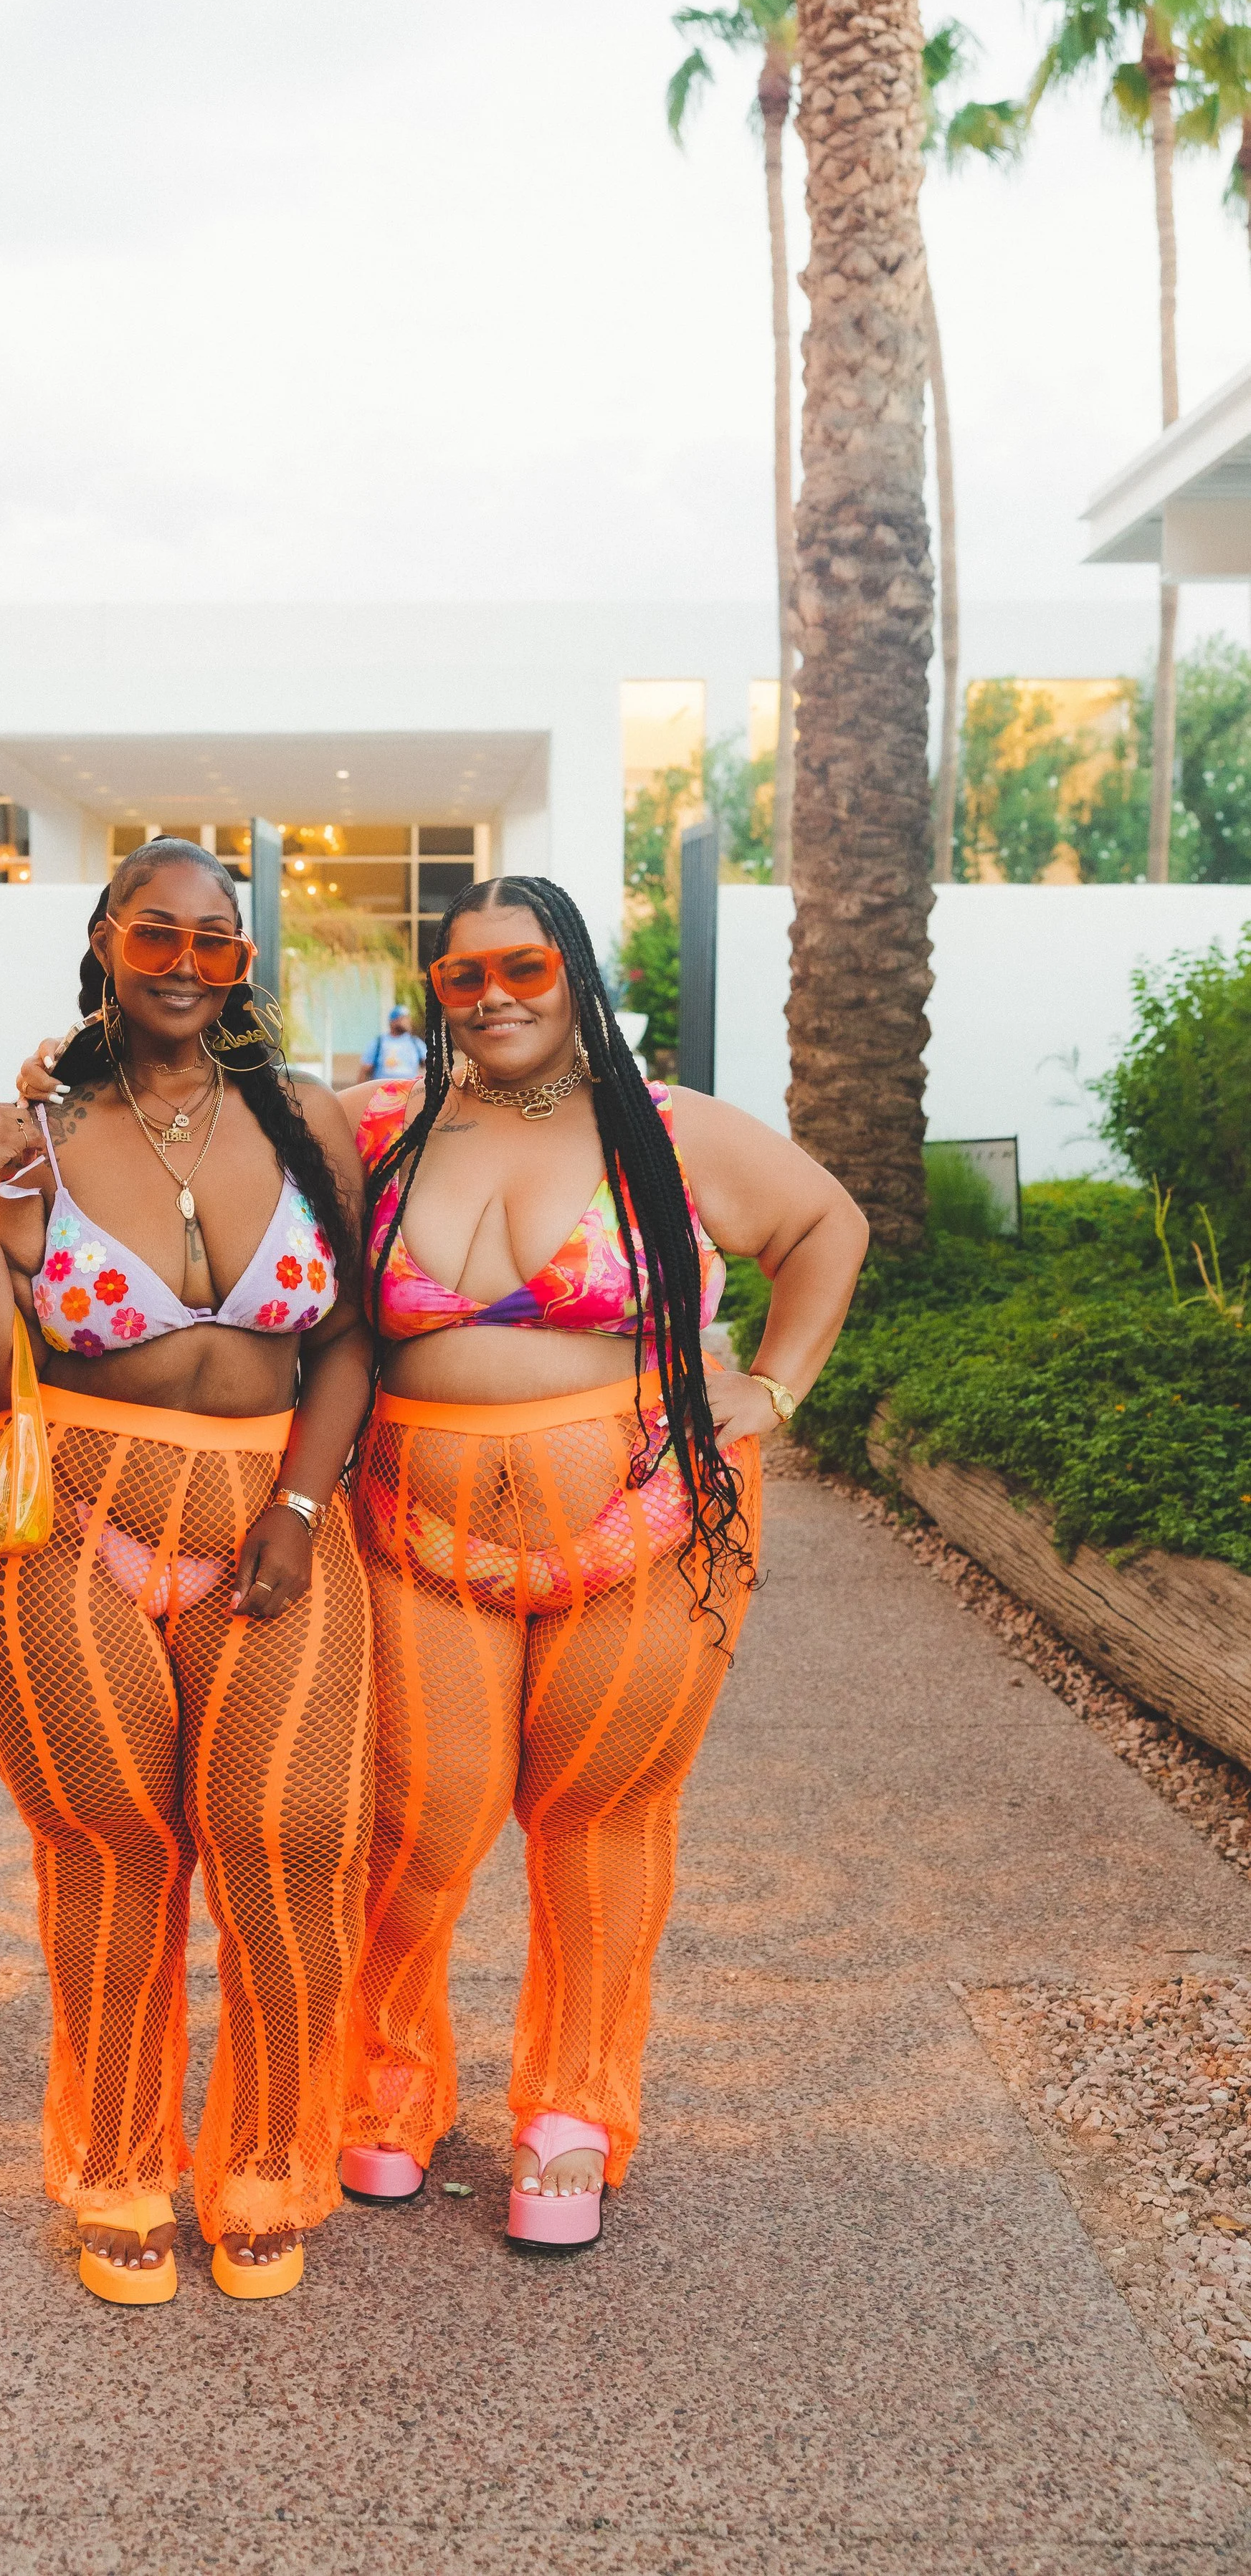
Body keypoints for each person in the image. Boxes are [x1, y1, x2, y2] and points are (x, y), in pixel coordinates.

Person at [332, 874, 867, 2250]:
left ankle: (573, 2108)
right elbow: (199, 1150)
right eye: (464, 977)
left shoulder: (667, 1128)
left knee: (598, 1813)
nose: (495, 996)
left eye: (524, 967)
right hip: (415, 1530)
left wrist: (778, 1389)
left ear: (573, 970)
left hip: (652, 1522)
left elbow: (826, 1229)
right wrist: (63, 1090)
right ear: (436, 991)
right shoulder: (376, 1129)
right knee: (422, 1818)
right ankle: (387, 2081)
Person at [0, 839, 373, 2306]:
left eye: (216, 943)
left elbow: (349, 1339)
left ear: (241, 963)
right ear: (104, 940)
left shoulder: (308, 1118)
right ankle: (118, 2161)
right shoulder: (35, 1134)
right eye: (156, 934)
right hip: (65, 1526)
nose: (185, 963)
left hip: (267, 1511)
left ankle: (260, 2157)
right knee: (109, 1847)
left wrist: (302, 1508)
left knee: (288, 1838)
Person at [360, 1003, 426, 1084]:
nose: (408, 1021)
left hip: (409, 1092)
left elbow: (430, 1063)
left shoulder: (415, 1042)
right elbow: (365, 1070)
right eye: (404, 1018)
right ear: (393, 1022)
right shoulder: (379, 1042)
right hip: (383, 1092)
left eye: (408, 1018)